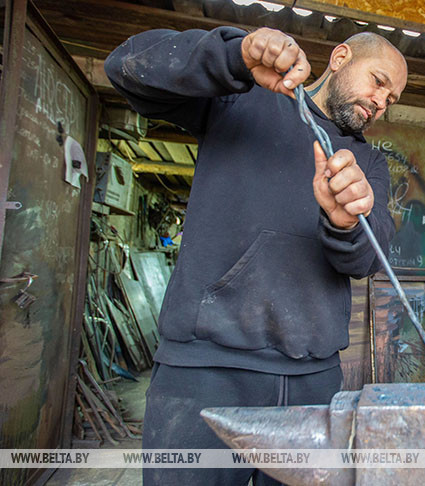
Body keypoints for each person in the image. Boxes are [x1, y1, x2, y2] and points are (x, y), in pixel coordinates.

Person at [105, 26, 407, 485]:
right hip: (205, 372)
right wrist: (234, 56)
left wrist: (347, 221)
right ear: (341, 57)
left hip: (314, 383)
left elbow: (365, 261)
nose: (382, 102)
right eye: (379, 82)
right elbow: (127, 69)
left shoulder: (369, 165)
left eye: (392, 99)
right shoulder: (242, 97)